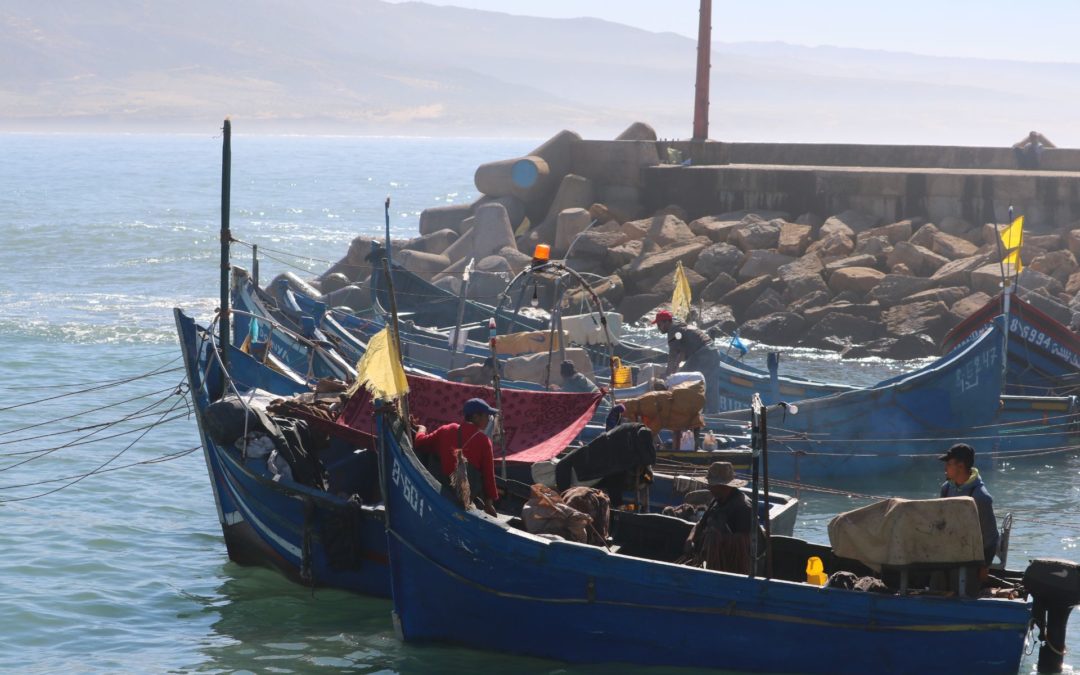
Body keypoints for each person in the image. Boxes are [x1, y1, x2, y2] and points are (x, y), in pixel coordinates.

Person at [413, 398, 500, 516]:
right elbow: (488, 476)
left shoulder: (446, 430)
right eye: (487, 416)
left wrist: (421, 429)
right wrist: (488, 504)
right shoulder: (484, 441)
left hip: (440, 491)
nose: (489, 419)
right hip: (464, 500)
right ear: (475, 417)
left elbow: (420, 443)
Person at [683, 461, 761, 574]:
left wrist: (715, 539)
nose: (709, 488)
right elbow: (701, 523)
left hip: (732, 569)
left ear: (724, 486)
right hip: (712, 563)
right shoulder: (716, 500)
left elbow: (746, 543)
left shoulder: (743, 507)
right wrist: (690, 539)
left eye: (712, 485)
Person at [938, 443, 999, 565]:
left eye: (949, 464)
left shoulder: (981, 497)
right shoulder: (946, 488)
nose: (945, 468)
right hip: (950, 552)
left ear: (960, 466)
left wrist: (985, 566)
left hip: (973, 558)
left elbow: (989, 538)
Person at [652, 309, 722, 413]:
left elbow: (673, 355)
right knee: (709, 384)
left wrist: (667, 376)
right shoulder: (680, 326)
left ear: (667, 322)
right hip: (713, 352)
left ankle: (696, 412)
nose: (658, 328)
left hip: (703, 354)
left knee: (687, 380)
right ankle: (712, 412)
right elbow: (681, 353)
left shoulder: (673, 330)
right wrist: (674, 370)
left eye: (659, 325)